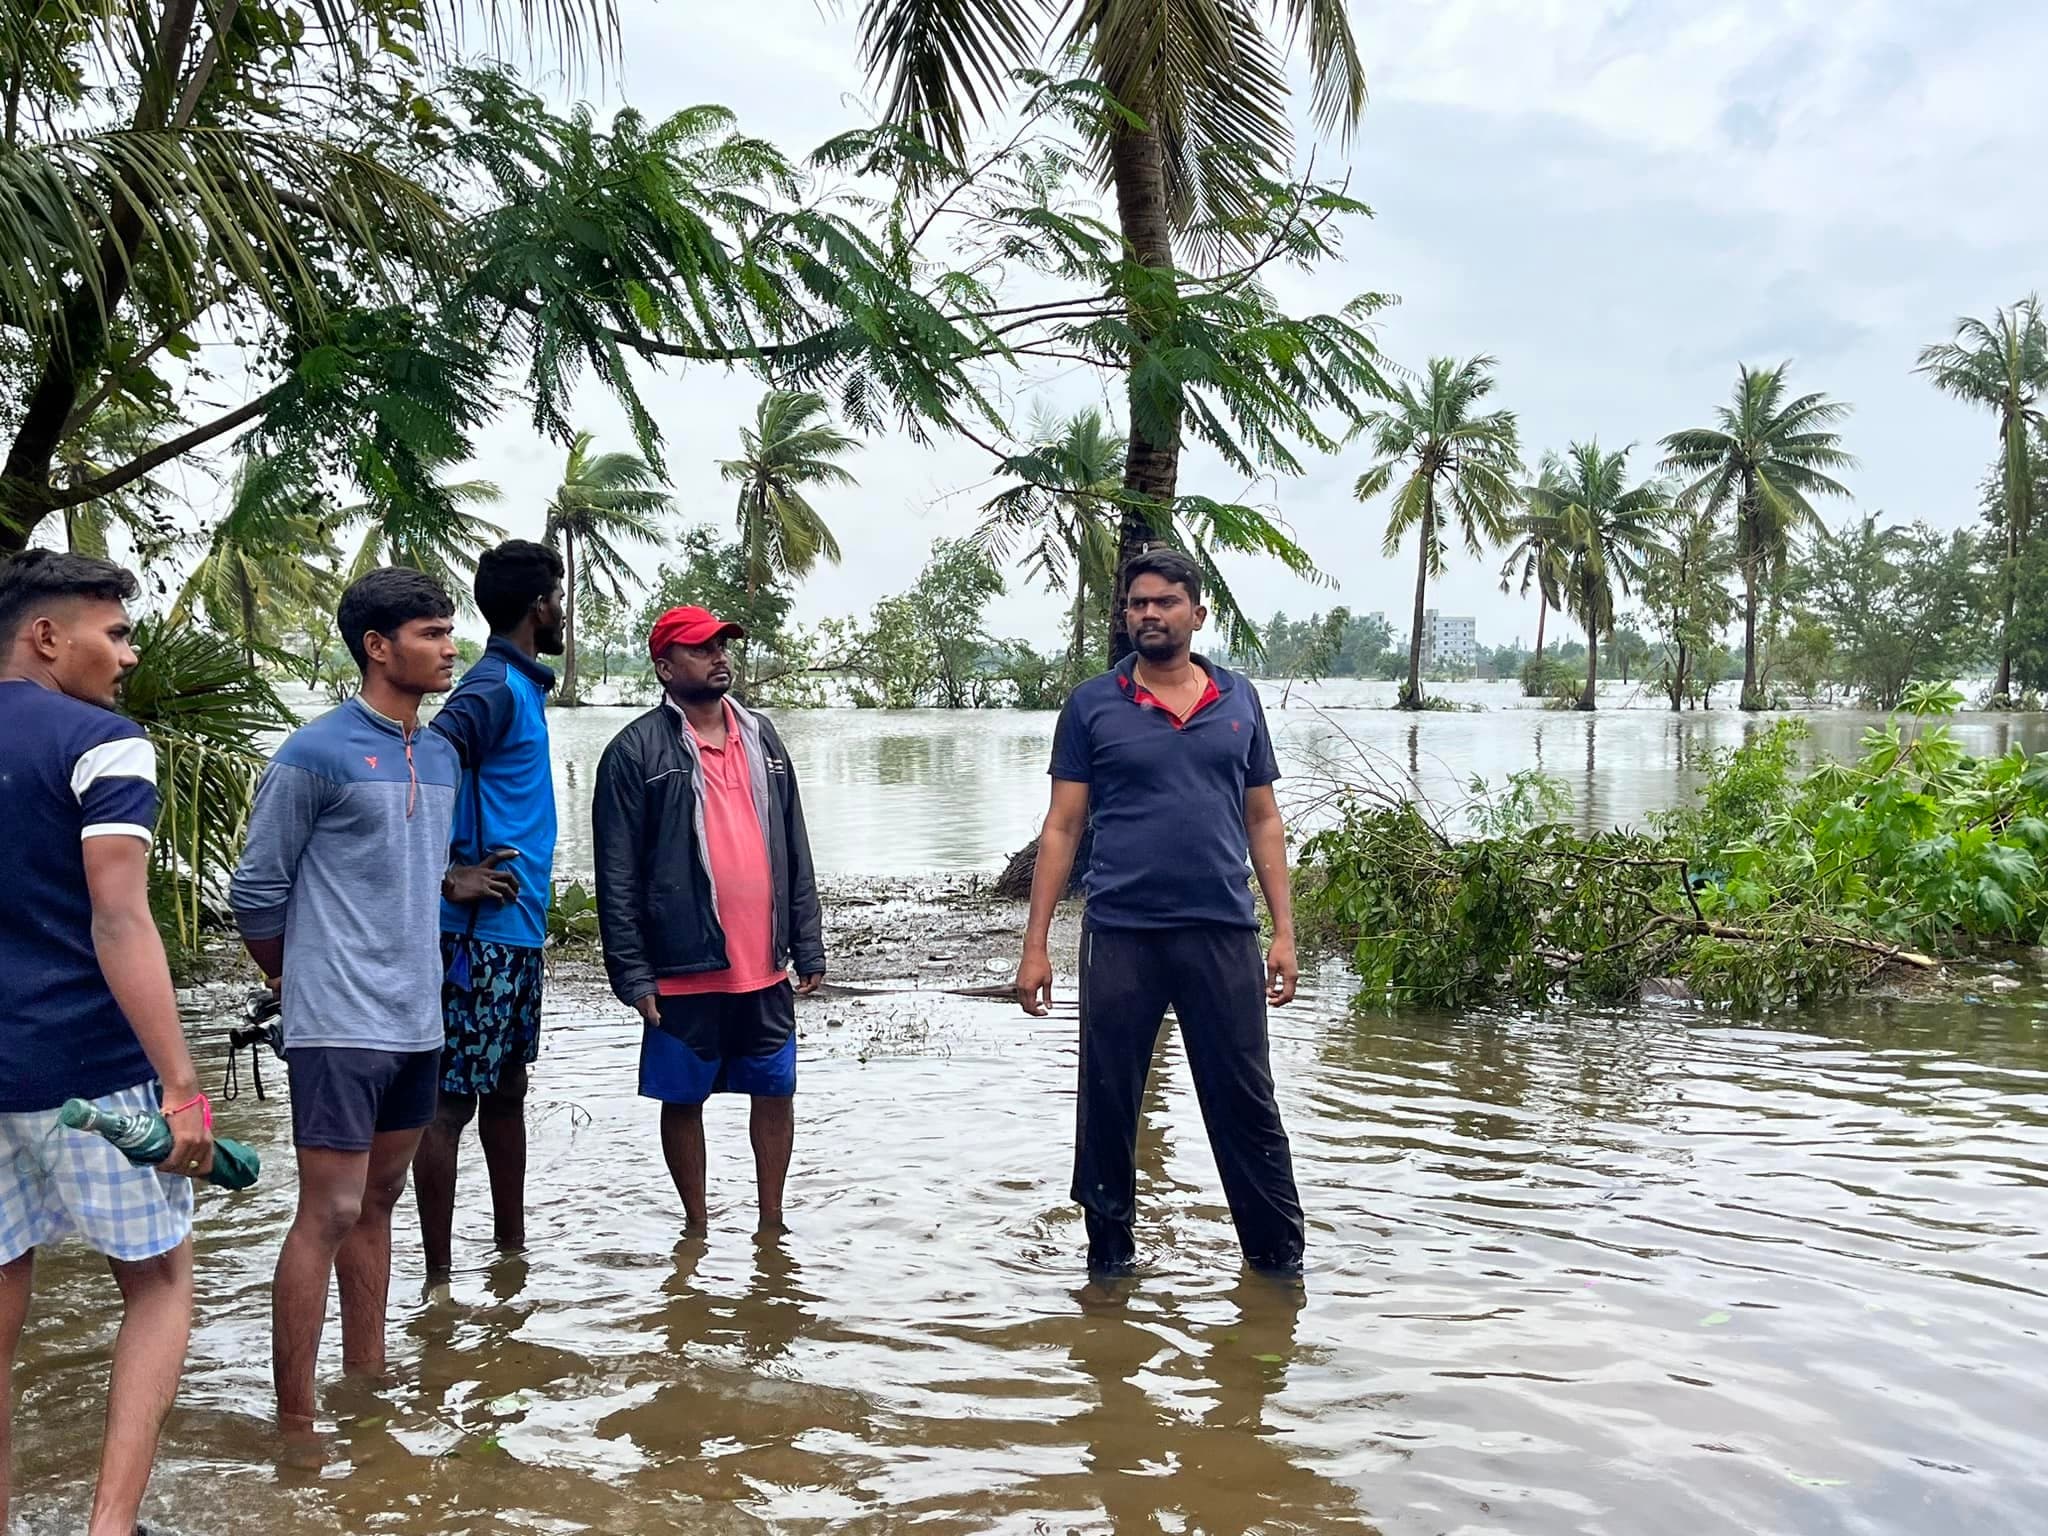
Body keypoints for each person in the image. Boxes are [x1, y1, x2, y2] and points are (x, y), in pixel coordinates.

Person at [0, 551, 216, 1536]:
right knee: (162, 1283)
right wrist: (181, 1087)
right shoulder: (106, 744)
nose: (128, 655)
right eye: (115, 632)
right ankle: (110, 1527)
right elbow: (119, 919)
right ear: (47, 636)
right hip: (91, 1065)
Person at [1015, 549, 1306, 1278]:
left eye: (1166, 602)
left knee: (1245, 1102)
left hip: (1222, 931)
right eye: (1138, 603)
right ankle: (1109, 1265)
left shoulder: (1238, 701)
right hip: (1121, 933)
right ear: (1125, 616)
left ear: (1196, 615)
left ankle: (1277, 1266)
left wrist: (1284, 933)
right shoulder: (1093, 704)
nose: (1150, 613)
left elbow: (1263, 818)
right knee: (1109, 1100)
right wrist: (1036, 945)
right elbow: (1062, 826)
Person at [230, 567, 461, 1430]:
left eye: (448, 631)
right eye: (431, 633)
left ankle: (365, 1385)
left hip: (417, 1020)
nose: (448, 647)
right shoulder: (313, 753)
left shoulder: (439, 754)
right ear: (377, 645)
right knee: (325, 1209)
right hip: (335, 1024)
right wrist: (296, 981)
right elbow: (257, 891)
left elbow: (420, 880)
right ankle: (296, 1422)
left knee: (380, 1198)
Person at [592, 606, 826, 1235]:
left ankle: (771, 1226)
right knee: (681, 1097)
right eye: (701, 649)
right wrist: (633, 975)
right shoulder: (632, 751)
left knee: (776, 1091)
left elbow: (794, 844)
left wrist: (807, 941)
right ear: (665, 667)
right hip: (682, 964)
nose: (719, 657)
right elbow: (615, 875)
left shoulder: (764, 738)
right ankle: (694, 1228)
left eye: (723, 645)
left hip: (763, 963)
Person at [412, 541, 566, 1284]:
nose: (561, 609)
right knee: (448, 1107)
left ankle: (512, 1260)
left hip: (516, 932)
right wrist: (447, 877)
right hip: (472, 936)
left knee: (507, 1093)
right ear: (539, 605)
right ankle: (438, 1279)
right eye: (557, 595)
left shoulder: (521, 687)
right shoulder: (494, 687)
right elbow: (424, 755)